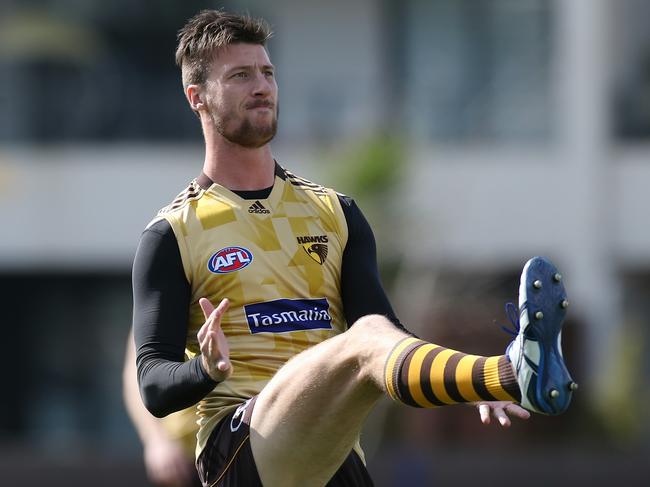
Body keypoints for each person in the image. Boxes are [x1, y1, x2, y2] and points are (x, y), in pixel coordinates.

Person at [132, 9, 576, 486]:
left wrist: (462, 386)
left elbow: (388, 338)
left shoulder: (336, 213)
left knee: (370, 336)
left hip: (332, 456)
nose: (261, 86)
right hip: (240, 449)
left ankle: (495, 375)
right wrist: (206, 368)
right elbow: (152, 384)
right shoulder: (172, 232)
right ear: (196, 97)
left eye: (267, 73)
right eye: (240, 76)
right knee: (364, 338)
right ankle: (507, 373)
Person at [123, 330, 202, 487]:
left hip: (243, 438)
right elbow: (137, 375)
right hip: (184, 459)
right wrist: (156, 439)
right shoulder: (161, 306)